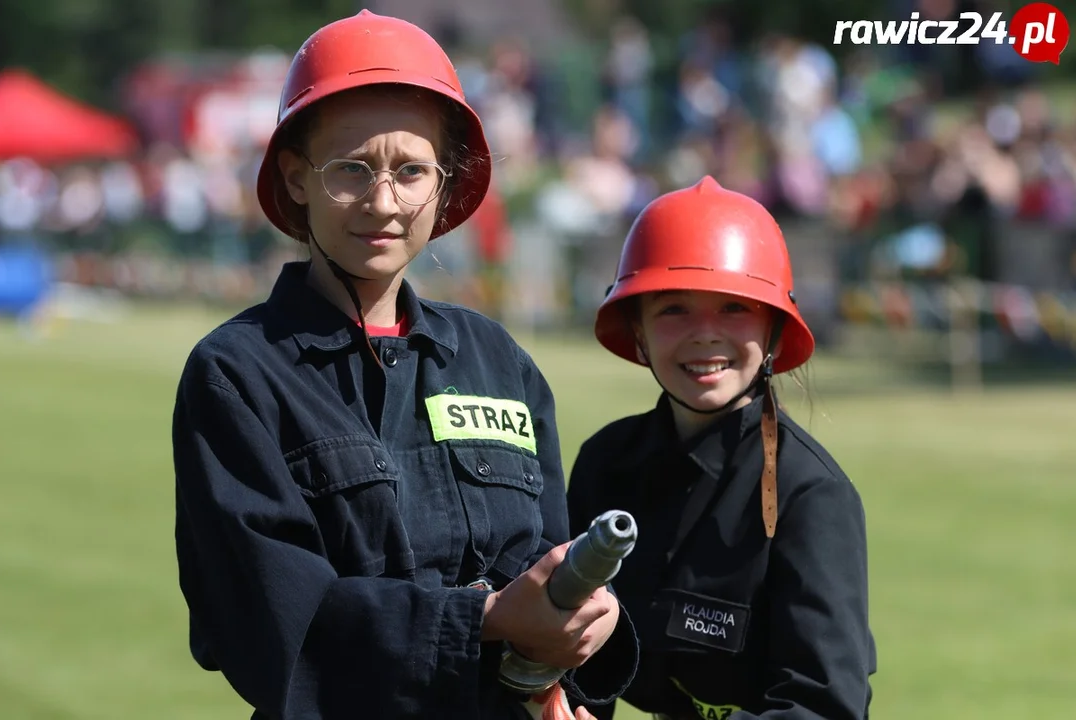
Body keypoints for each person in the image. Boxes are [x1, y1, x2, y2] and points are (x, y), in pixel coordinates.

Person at [171, 11, 636, 719]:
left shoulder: (499, 360)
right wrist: (485, 621)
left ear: (445, 186)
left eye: (410, 171)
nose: (383, 202)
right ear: (295, 179)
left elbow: (544, 568)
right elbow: (267, 621)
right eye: (351, 169)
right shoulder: (237, 374)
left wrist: (582, 634)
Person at [565, 177, 876, 719]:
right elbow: (569, 658)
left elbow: (824, 708)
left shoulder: (812, 496)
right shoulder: (606, 462)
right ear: (637, 330)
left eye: (734, 308)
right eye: (673, 310)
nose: (705, 334)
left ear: (776, 330)